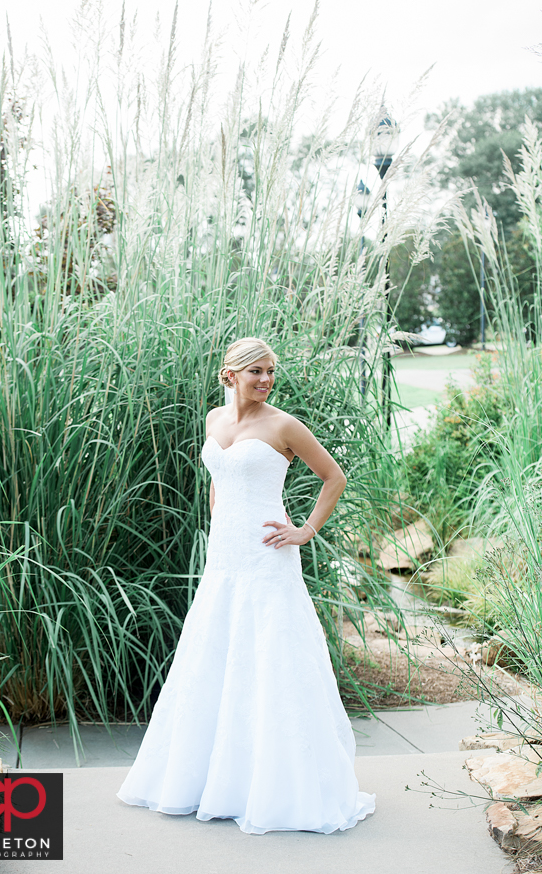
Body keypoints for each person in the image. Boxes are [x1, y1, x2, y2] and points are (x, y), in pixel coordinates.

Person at [116, 337, 375, 834]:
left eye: (271, 371)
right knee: (217, 652)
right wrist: (221, 523)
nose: (266, 379)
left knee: (270, 654)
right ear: (230, 373)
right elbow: (220, 478)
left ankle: (276, 785)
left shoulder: (283, 425)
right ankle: (211, 780)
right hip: (225, 556)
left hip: (268, 555)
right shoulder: (214, 420)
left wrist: (304, 531)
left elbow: (333, 477)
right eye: (256, 370)